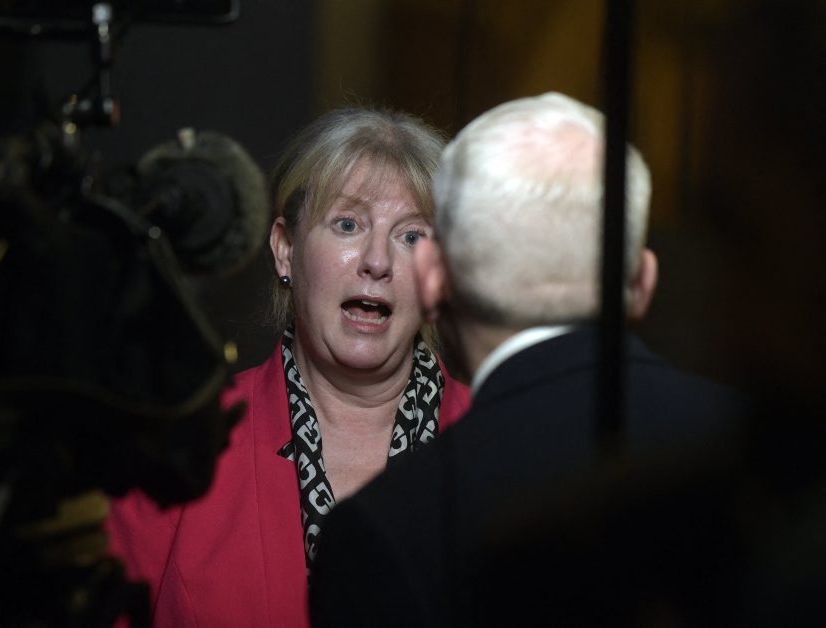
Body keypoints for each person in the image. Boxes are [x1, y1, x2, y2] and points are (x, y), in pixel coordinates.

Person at [310, 93, 749, 625]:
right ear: (642, 282)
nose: (378, 262)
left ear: (432, 278)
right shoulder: (769, 465)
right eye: (347, 225)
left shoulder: (390, 528)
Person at [107, 107, 470, 626]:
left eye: (412, 236)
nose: (377, 261)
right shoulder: (181, 438)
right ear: (285, 250)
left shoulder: (503, 445)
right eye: (347, 224)